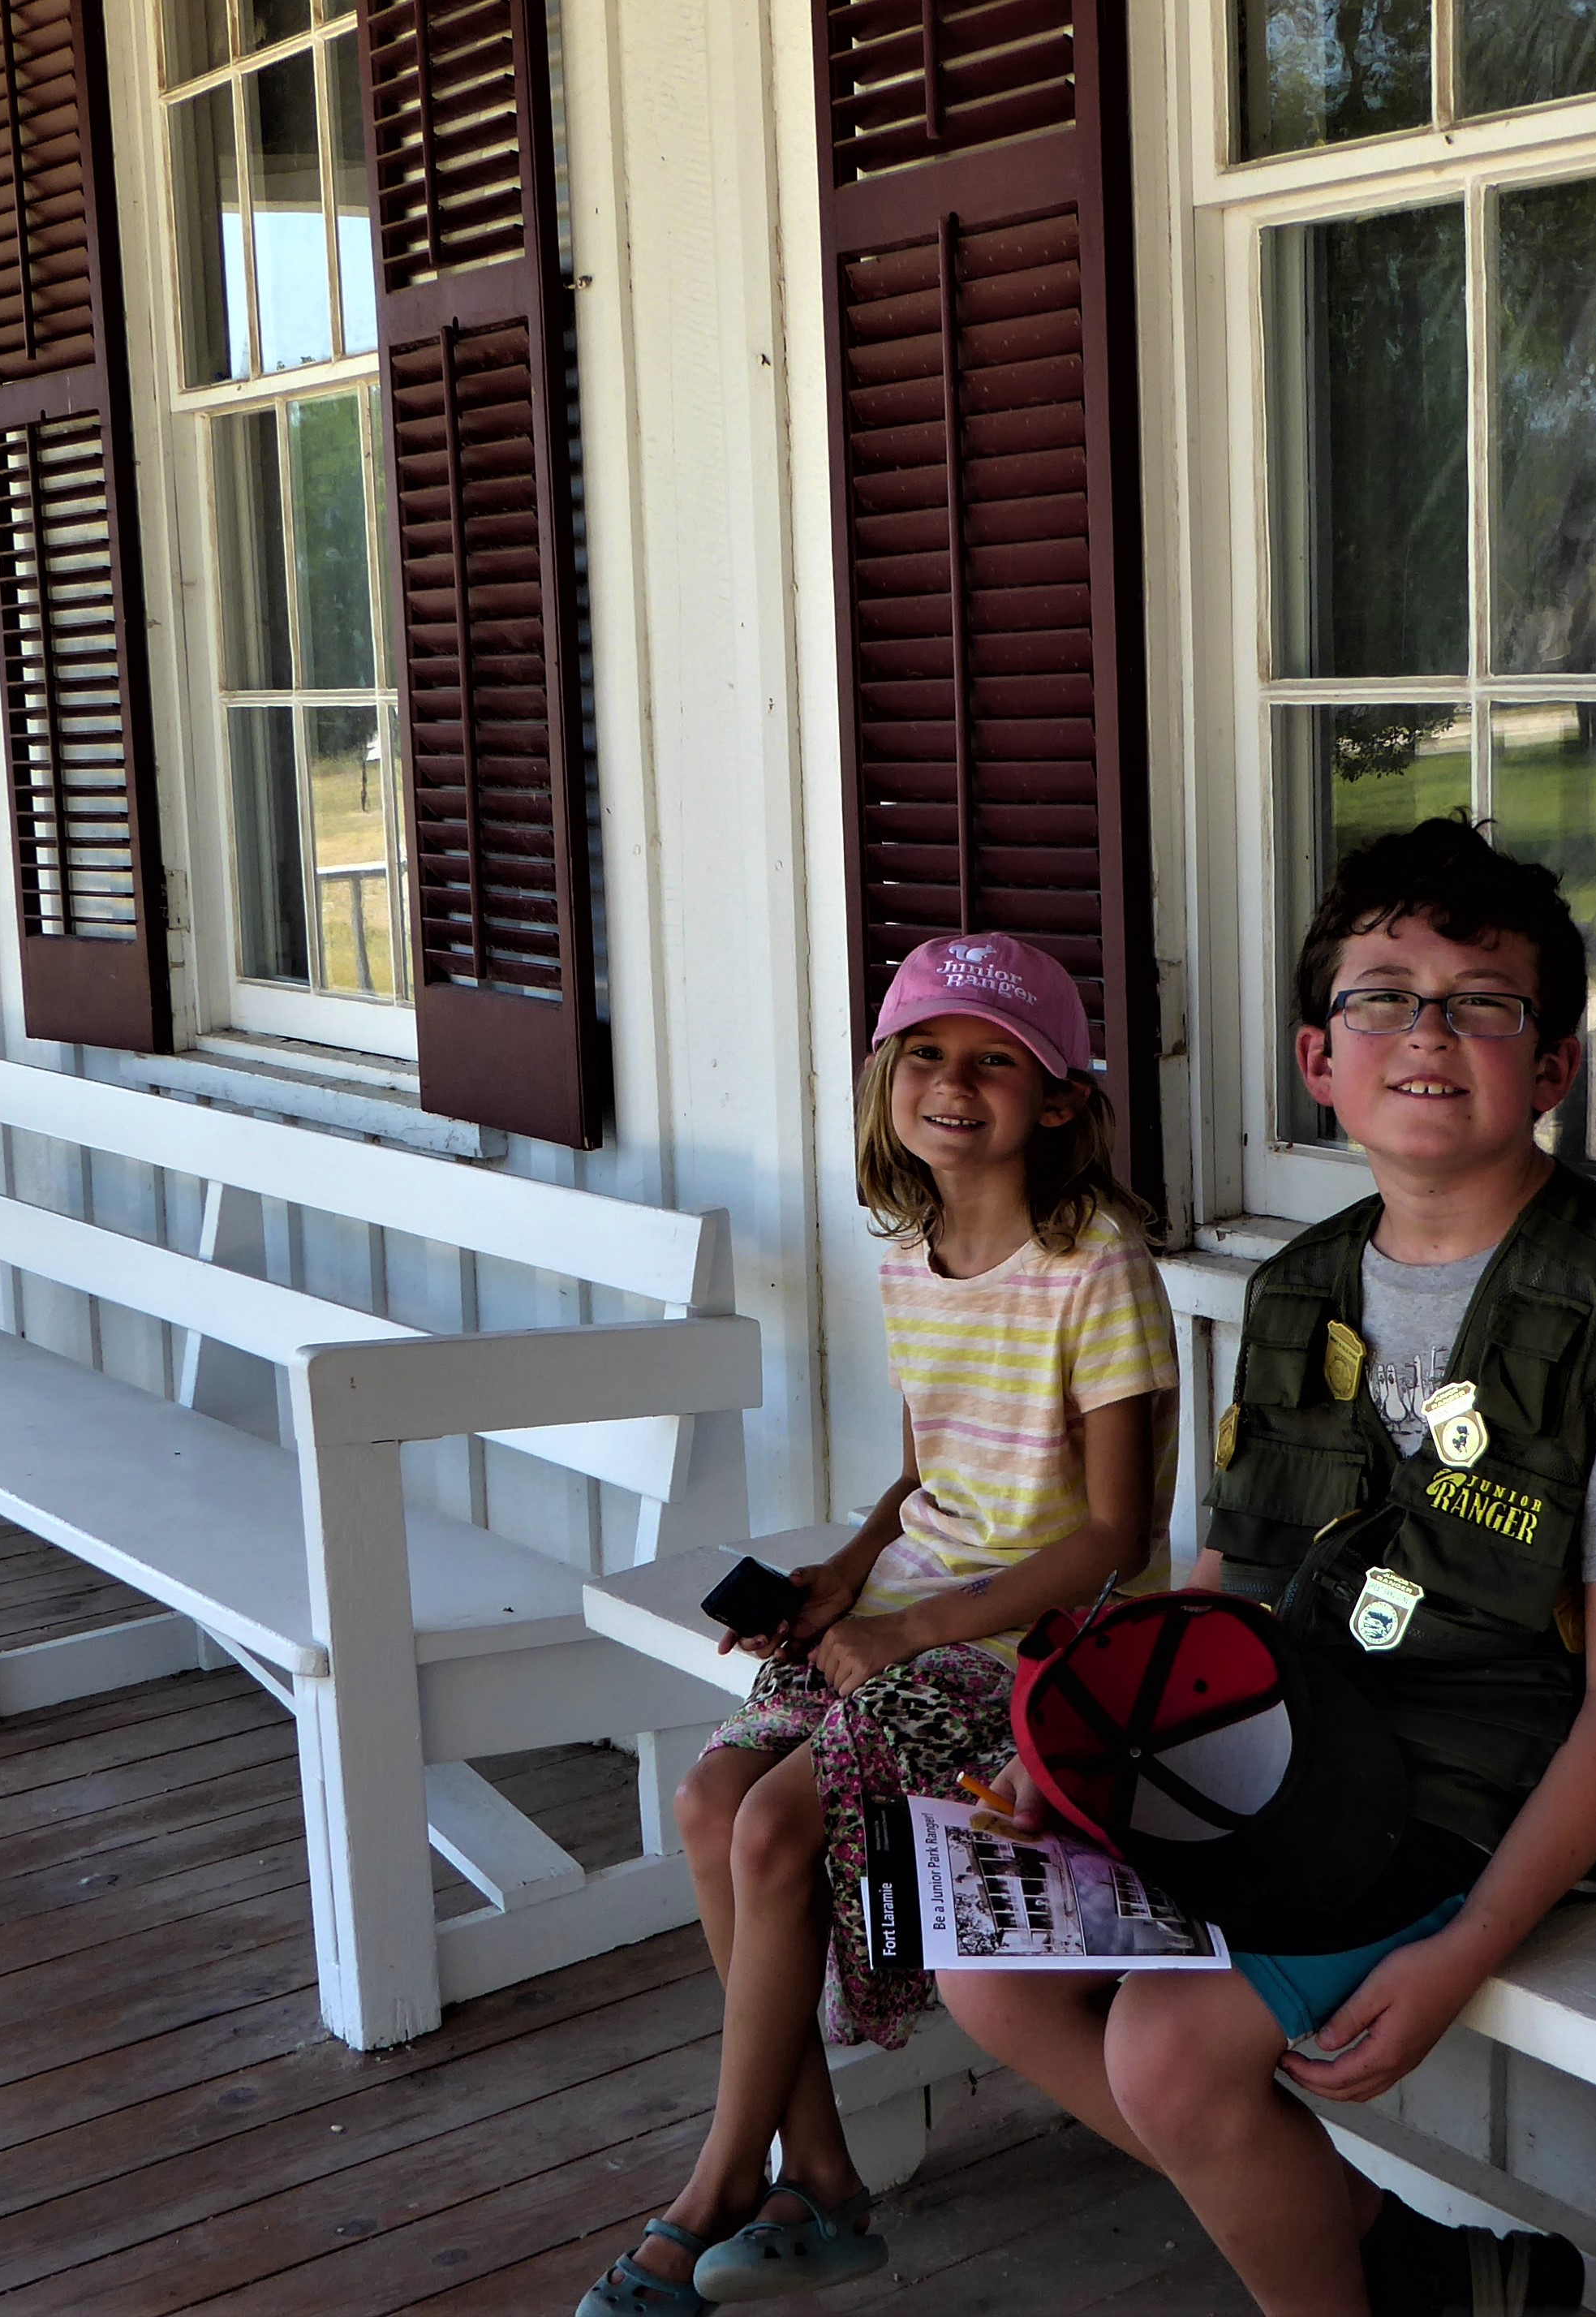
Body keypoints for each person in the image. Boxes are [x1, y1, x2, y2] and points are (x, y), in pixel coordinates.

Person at [943, 816, 1596, 2317]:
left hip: (1489, 1783)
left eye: (1484, 1001)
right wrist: (1085, 1751)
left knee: (1168, 2057)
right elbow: (1231, 1581)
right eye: (1382, 994)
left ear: (1553, 1065)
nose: (1428, 1031)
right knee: (991, 1973)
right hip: (1283, 1743)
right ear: (1321, 1059)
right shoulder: (1300, 1285)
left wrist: (1470, 1952)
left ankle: (1367, 2290)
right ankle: (1415, 2270)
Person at [579, 931, 1180, 2315]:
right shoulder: (913, 1254)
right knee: (710, 1799)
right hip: (912, 1609)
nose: (952, 1085)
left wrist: (912, 1634)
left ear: (1061, 1099)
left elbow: (1116, 1536)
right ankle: (826, 2181)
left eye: (993, 1063)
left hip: (1047, 1647)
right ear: (887, 1080)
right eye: (925, 1056)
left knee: (783, 1826)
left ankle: (720, 2187)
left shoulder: (1098, 1268)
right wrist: (848, 1571)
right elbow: (931, 1470)